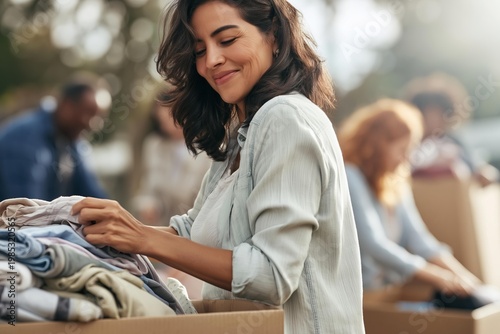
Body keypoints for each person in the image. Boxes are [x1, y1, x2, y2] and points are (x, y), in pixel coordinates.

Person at [71, 1, 366, 333]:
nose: (211, 60)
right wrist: (104, 232)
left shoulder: (285, 118)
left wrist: (141, 238)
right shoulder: (242, 134)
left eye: (226, 41)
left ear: (274, 37)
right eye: (199, 50)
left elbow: (272, 275)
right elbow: (192, 233)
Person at [338, 98, 482, 296]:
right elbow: (372, 243)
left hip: (389, 290)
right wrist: (439, 277)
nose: (407, 159)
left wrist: (467, 280)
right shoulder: (351, 175)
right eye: (401, 150)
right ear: (378, 145)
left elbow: (420, 239)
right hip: (362, 296)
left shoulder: (396, 181)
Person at [0, 79, 108, 201]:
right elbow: (26, 210)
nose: (91, 124)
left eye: (98, 117)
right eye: (88, 113)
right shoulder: (23, 139)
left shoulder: (72, 143)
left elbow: (93, 195)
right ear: (67, 105)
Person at [132, 90, 211, 227]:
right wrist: (148, 204)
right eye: (161, 119)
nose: (165, 125)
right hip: (159, 226)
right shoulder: (155, 145)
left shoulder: (208, 148)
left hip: (194, 228)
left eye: (169, 117)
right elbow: (148, 187)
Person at [404, 72, 499, 186]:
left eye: (439, 113)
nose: (434, 119)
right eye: (430, 113)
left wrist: (486, 173)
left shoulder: (454, 142)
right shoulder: (407, 143)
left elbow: (478, 167)